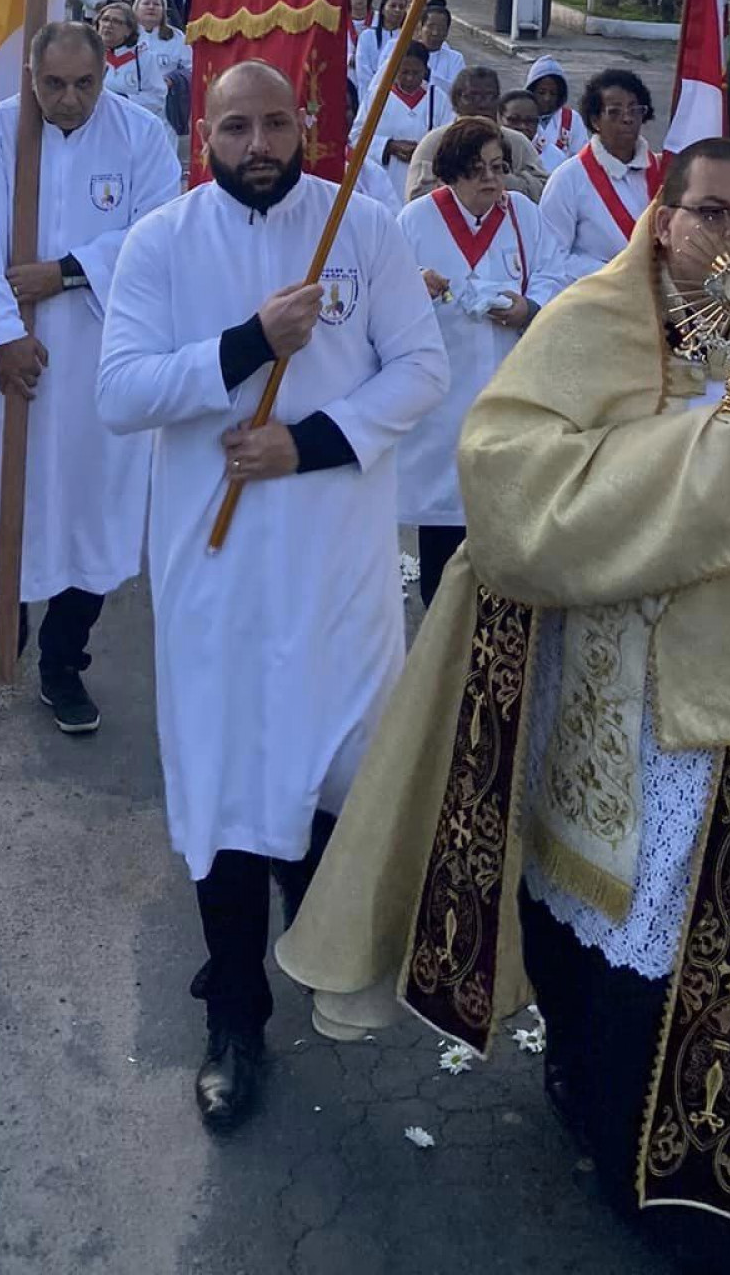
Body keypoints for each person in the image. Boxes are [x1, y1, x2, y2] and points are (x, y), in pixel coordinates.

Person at [276, 137, 730, 1258]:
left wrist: (700, 478)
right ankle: (592, 1099)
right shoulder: (587, 319)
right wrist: (719, 471)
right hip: (603, 704)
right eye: (714, 212)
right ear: (662, 218)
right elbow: (507, 479)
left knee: (706, 951)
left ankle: (702, 1178)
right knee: (585, 922)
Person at [96, 61, 447, 1131]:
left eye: (277, 122)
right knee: (230, 779)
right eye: (238, 124)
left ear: (308, 127)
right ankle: (235, 1013)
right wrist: (251, 343)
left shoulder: (367, 229)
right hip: (217, 578)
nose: (260, 142)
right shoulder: (162, 239)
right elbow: (120, 392)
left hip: (335, 559)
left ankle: (332, 947)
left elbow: (422, 368)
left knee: (341, 763)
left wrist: (309, 442)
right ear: (205, 131)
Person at [0, 22, 180, 734]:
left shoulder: (142, 137)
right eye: (53, 84)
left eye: (85, 83)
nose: (70, 99)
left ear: (107, 72)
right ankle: (10, 600)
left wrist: (66, 272)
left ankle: (63, 660)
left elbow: (158, 236)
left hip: (101, 356)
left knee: (96, 512)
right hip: (11, 360)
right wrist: (4, 336)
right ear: (30, 74)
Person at [396, 116, 561, 607]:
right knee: (445, 531)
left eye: (498, 167)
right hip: (443, 400)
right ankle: (438, 645)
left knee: (506, 520)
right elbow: (386, 294)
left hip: (510, 388)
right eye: (476, 170)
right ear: (450, 173)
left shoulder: (525, 216)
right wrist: (415, 283)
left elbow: (554, 274)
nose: (491, 179)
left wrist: (529, 307)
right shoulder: (416, 221)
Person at [536, 68, 664, 282]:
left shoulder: (662, 171)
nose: (627, 119)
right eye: (615, 112)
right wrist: (615, 272)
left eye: (635, 110)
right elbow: (551, 256)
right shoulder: (568, 178)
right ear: (595, 121)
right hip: (597, 298)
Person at [405, 64, 546, 204]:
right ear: (456, 99)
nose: (482, 104)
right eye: (473, 96)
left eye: (490, 96)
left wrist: (502, 179)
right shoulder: (435, 141)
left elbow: (543, 191)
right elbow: (417, 195)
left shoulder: (517, 142)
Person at [361, 39, 449, 202]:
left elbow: (448, 139)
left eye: (416, 73)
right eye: (404, 72)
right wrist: (389, 146)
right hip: (383, 182)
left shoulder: (438, 99)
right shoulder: (377, 97)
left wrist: (424, 149)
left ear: (425, 70)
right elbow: (356, 138)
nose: (409, 78)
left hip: (423, 182)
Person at [524, 56, 587, 172]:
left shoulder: (572, 119)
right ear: (531, 91)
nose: (547, 98)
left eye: (553, 93)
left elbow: (581, 158)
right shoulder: (521, 118)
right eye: (541, 92)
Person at [353, 0, 409, 90]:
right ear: (383, 9)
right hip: (371, 91)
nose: (397, 10)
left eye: (401, 7)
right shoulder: (367, 36)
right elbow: (363, 71)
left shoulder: (407, 38)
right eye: (393, 6)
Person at [414, 0, 467, 98]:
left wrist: (429, 75)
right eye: (431, 27)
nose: (435, 33)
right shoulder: (406, 53)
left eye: (441, 28)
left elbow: (458, 91)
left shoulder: (455, 59)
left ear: (447, 31)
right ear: (421, 27)